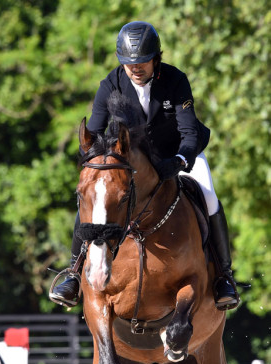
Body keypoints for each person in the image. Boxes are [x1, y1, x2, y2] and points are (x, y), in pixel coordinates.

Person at [49, 21, 240, 311]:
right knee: (95, 198)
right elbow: (95, 133)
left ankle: (224, 276)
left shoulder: (175, 81)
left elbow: (189, 133)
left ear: (155, 58)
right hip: (129, 160)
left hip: (177, 153)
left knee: (209, 194)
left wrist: (177, 162)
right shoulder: (110, 84)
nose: (135, 68)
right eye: (128, 63)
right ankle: (74, 273)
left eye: (142, 62)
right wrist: (99, 163)